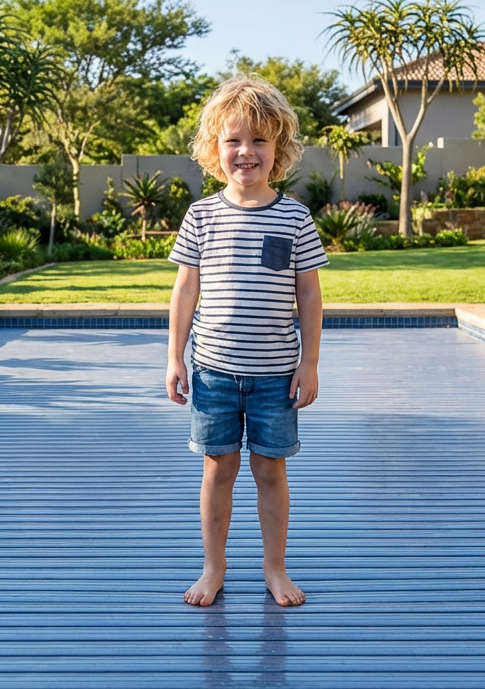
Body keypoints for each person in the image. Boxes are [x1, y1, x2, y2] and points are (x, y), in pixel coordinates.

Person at [165, 75, 327, 608]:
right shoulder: (202, 215)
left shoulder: (294, 217)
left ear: (278, 147)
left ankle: (274, 567)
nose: (246, 151)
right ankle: (214, 566)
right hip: (212, 372)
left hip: (276, 376)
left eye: (259, 140)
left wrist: (310, 364)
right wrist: (174, 359)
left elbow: (309, 296)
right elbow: (185, 290)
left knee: (270, 471)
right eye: (234, 140)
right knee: (219, 469)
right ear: (215, 148)